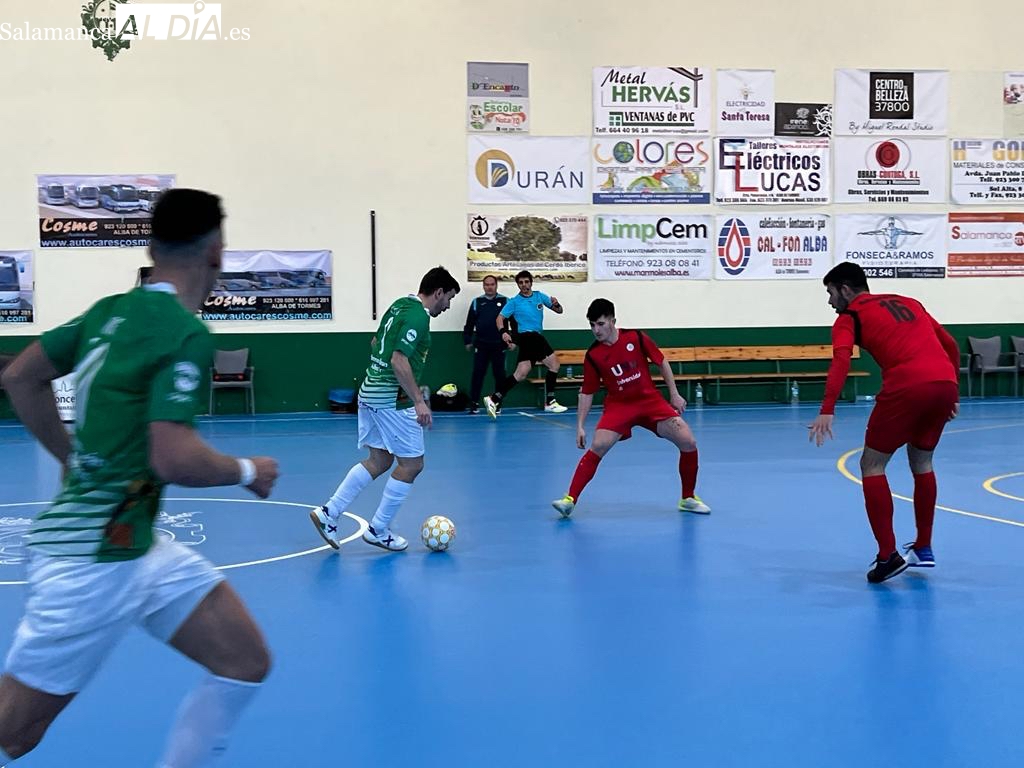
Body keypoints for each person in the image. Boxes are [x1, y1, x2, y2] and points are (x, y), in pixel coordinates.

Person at [0, 189, 279, 766]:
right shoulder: (183, 331)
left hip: (137, 544)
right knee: (15, 733)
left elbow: (22, 378)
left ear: (151, 247)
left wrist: (71, 458)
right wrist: (247, 470)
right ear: (217, 253)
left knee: (243, 659)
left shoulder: (107, 311)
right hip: (89, 559)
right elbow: (171, 456)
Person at [808, 262, 960, 584]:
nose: (830, 302)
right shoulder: (909, 302)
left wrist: (827, 408)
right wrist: (953, 392)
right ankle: (923, 547)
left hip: (906, 386)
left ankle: (887, 555)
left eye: (831, 293)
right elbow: (951, 345)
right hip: (944, 383)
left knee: (872, 464)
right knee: (922, 461)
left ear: (845, 289)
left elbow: (841, 360)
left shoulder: (849, 317)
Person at [310, 266, 460, 552]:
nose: (448, 305)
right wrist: (418, 400)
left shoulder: (399, 305)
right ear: (438, 292)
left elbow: (376, 342)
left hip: (369, 391)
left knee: (379, 461)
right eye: (449, 298)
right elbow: (398, 360)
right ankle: (378, 528)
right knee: (413, 465)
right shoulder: (419, 316)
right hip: (392, 398)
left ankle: (329, 513)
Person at [551, 299, 710, 517]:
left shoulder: (636, 338)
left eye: (600, 324)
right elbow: (587, 392)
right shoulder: (593, 356)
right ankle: (570, 500)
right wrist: (579, 426)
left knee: (688, 441)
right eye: (592, 325)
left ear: (613, 321)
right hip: (619, 407)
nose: (596, 330)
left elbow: (661, 362)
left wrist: (674, 394)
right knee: (598, 445)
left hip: (650, 402)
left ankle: (688, 497)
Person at [483, 270, 567, 417]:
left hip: (534, 338)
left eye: (526, 282)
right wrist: (503, 332)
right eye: (521, 283)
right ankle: (550, 402)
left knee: (520, 374)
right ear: (518, 285)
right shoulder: (514, 302)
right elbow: (499, 318)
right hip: (529, 337)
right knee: (554, 365)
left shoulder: (540, 296)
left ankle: (493, 398)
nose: (524, 285)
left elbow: (559, 311)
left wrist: (556, 304)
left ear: (531, 283)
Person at [462, 275, 508, 415]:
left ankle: (497, 404)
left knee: (500, 376)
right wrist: (468, 340)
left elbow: (513, 323)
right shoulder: (477, 302)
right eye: (487, 284)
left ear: (496, 285)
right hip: (481, 345)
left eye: (492, 284)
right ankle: (474, 404)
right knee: (478, 375)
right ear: (483, 286)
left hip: (499, 345)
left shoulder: (505, 301)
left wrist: (513, 341)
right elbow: (469, 324)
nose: (489, 287)